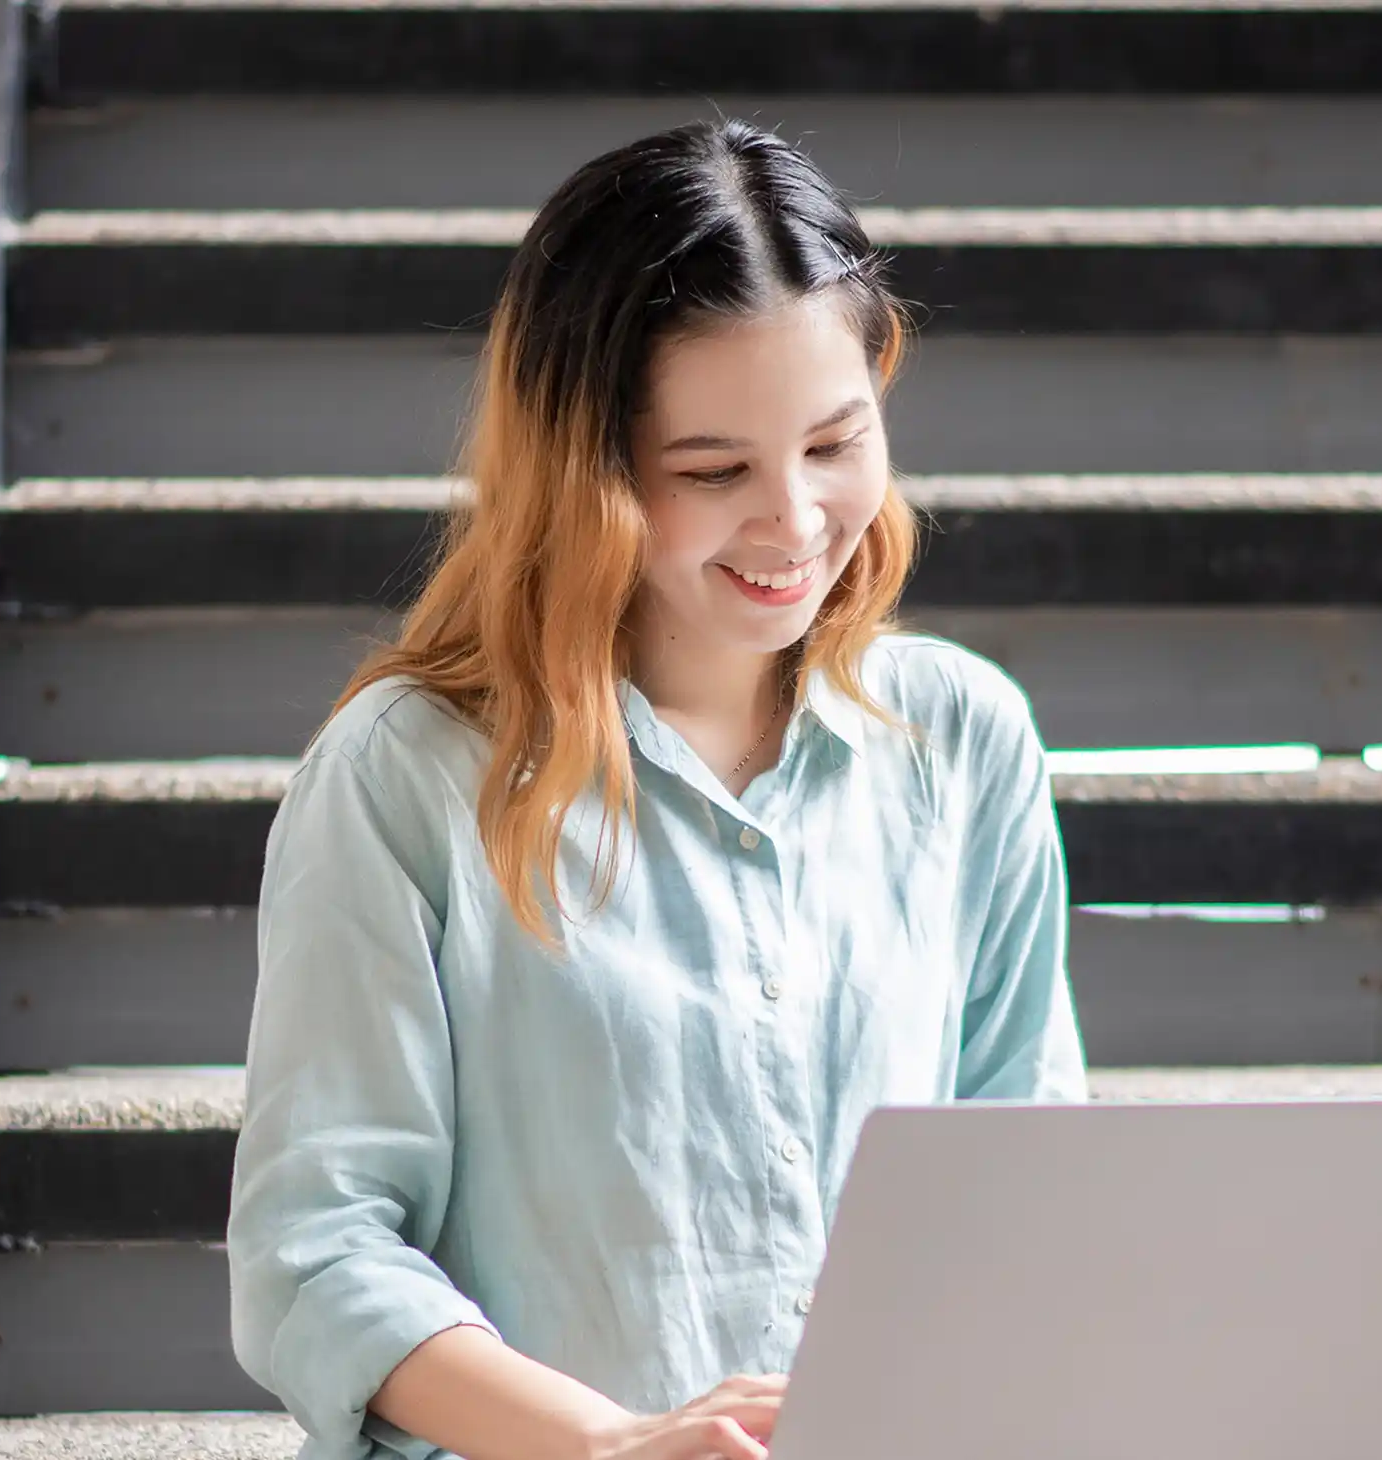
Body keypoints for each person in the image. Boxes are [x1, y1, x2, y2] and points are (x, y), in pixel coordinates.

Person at [226, 117, 1089, 1460]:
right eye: (714, 472)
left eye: (835, 443)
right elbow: (317, 1253)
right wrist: (613, 1445)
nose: (796, 522)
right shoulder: (406, 776)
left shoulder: (962, 740)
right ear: (588, 473)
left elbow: (1028, 1186)